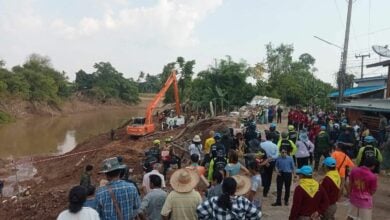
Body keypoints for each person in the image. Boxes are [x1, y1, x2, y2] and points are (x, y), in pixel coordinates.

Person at [197, 176, 262, 220]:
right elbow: (258, 214)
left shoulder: (213, 200)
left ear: (222, 188)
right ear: (235, 190)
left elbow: (199, 210)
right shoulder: (243, 201)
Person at [260, 131, 279, 197]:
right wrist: (270, 159)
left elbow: (258, 153)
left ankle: (264, 184)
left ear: (266, 137)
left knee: (263, 174)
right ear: (272, 139)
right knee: (269, 176)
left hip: (262, 161)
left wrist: (265, 160)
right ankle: (266, 190)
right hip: (271, 163)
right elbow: (276, 156)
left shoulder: (261, 144)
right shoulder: (275, 146)